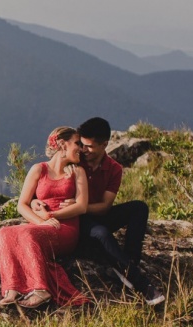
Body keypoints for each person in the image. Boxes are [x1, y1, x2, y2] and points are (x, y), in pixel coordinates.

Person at [70, 117, 165, 306]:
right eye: (81, 144)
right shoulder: (75, 162)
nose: (83, 150)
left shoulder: (114, 168)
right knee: (102, 233)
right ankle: (143, 285)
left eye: (89, 146)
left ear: (105, 144)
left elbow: (105, 206)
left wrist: (80, 205)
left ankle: (129, 263)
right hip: (76, 220)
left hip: (93, 212)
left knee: (139, 207)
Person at [0, 127, 90, 308]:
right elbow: (22, 204)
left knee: (27, 235)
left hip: (65, 229)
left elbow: (81, 206)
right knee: (5, 232)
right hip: (44, 224)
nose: (81, 148)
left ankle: (41, 290)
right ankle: (12, 289)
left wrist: (51, 215)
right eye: (77, 143)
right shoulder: (38, 169)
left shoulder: (78, 172)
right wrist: (41, 221)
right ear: (63, 144)